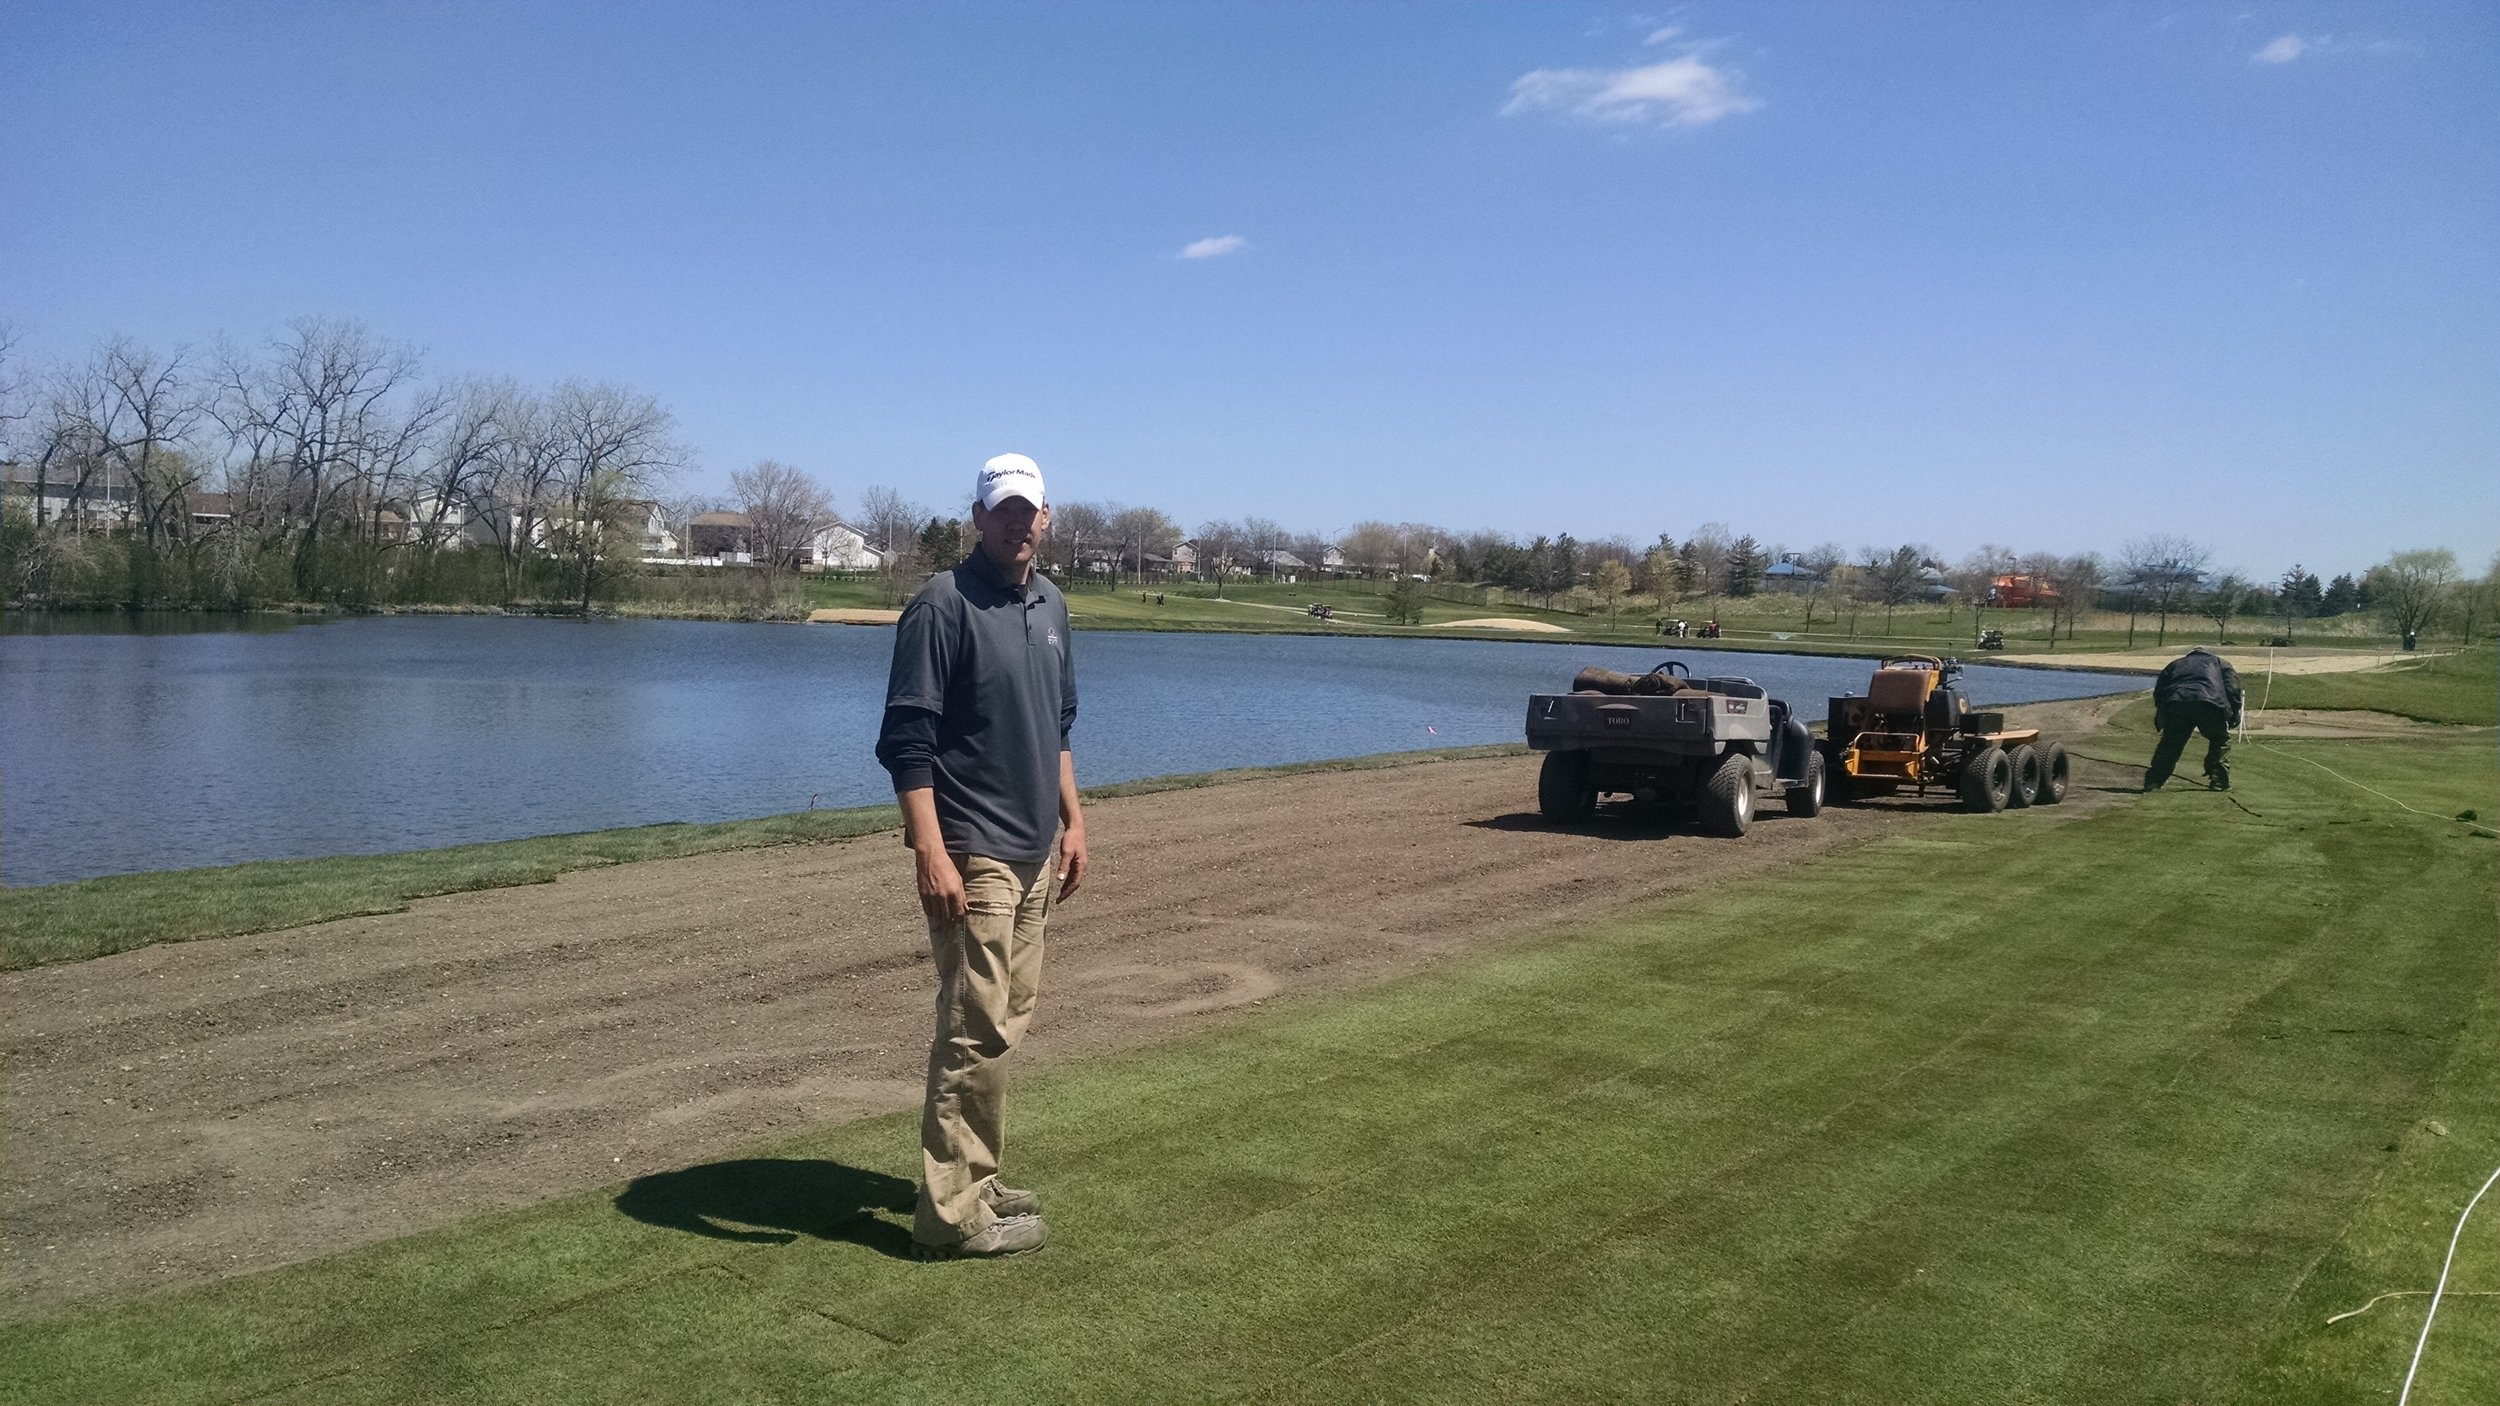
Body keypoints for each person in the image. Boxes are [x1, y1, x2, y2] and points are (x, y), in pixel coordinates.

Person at [875, 452, 1088, 1260]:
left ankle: (977, 1174)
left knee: (1006, 1022)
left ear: (1045, 516)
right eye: (1001, 509)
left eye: (1027, 508)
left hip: (1036, 849)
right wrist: (929, 850)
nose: (1016, 521)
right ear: (977, 517)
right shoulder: (942, 605)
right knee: (974, 1028)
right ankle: (950, 1215)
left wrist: (1075, 822)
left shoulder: (1053, 604)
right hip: (974, 851)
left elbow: (1057, 727)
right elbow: (907, 744)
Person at [2143, 647, 2243, 791]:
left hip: (2178, 703)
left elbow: (2160, 691)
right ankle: (2218, 779)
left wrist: (2163, 712)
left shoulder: (2175, 664)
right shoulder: (2221, 663)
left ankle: (2154, 781)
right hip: (2209, 705)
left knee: (2171, 743)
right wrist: (2235, 711)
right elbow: (2232, 689)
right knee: (2219, 739)